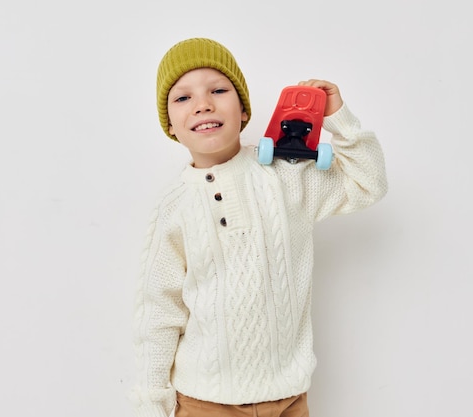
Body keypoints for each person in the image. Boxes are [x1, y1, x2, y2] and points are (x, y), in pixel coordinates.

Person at [131, 37, 388, 417]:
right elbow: (159, 312)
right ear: (170, 124)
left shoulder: (287, 176)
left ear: (244, 111)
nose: (203, 103)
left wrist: (340, 120)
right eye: (182, 98)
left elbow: (369, 184)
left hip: (289, 398)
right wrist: (151, 402)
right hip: (204, 403)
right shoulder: (175, 208)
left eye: (218, 90)